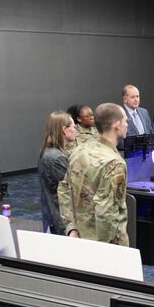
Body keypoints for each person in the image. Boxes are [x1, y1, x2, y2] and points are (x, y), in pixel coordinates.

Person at [57, 103, 129, 245]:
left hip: (79, 238)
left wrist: (71, 228)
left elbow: (64, 190)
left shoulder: (78, 151)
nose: (127, 125)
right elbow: (106, 214)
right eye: (125, 121)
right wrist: (106, 250)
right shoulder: (114, 163)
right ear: (116, 124)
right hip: (107, 246)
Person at [38, 111, 77, 235]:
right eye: (74, 127)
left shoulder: (47, 151)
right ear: (64, 130)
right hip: (61, 217)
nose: (76, 130)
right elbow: (71, 190)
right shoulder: (56, 158)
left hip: (51, 213)